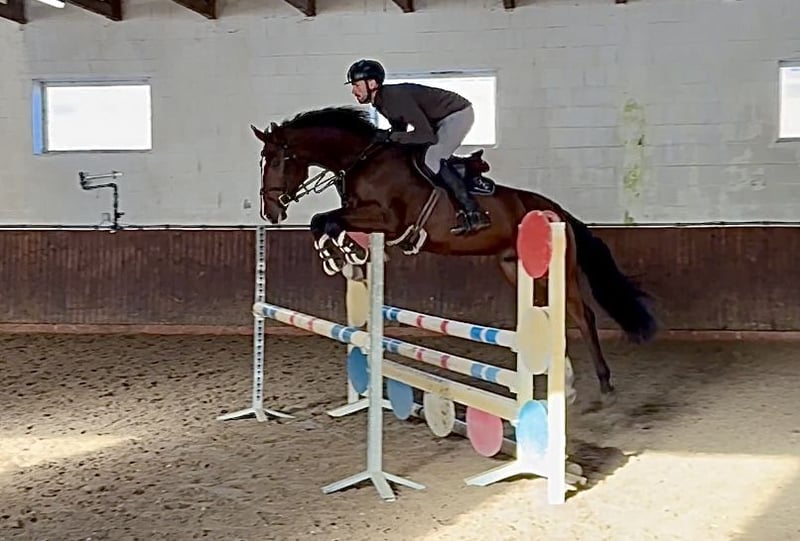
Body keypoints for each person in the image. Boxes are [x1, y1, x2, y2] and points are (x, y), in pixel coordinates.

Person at [344, 59, 491, 236]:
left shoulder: (393, 98)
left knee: (432, 158)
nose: (354, 91)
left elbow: (426, 136)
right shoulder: (381, 102)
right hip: (438, 120)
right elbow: (400, 132)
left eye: (356, 85)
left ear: (372, 83)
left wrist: (390, 137)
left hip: (457, 114)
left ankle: (474, 212)